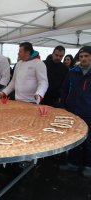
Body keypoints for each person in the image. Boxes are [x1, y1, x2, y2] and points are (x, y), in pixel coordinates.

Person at [60, 46, 91, 177]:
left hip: (89, 112)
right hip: (73, 111)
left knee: (89, 141)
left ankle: (88, 166)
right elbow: (64, 89)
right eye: (81, 56)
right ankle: (73, 163)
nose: (83, 59)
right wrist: (63, 105)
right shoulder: (73, 72)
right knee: (74, 138)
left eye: (87, 56)